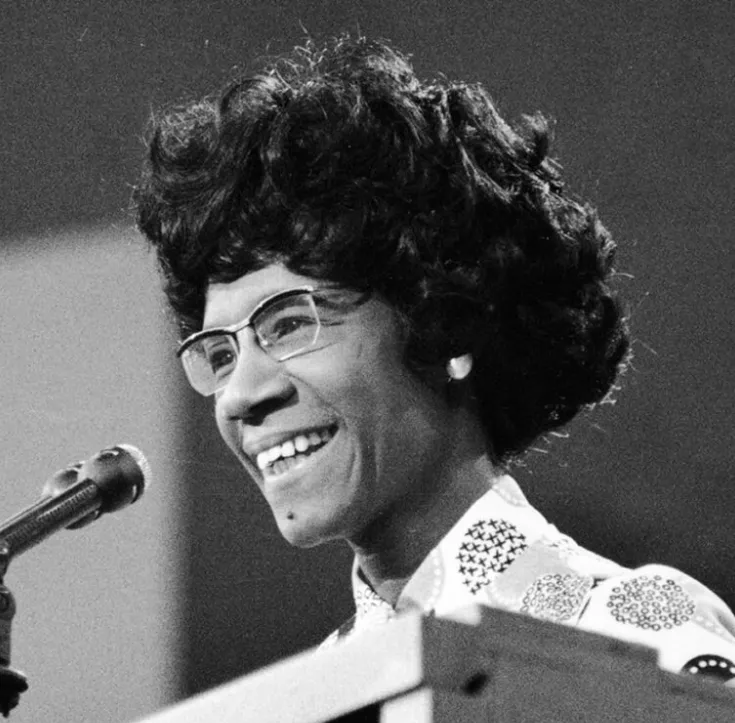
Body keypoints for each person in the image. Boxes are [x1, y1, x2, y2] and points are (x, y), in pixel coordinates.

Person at [135, 35, 735, 679]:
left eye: (286, 324)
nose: (240, 395)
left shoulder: (628, 635)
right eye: (220, 354)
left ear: (448, 327)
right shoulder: (298, 717)